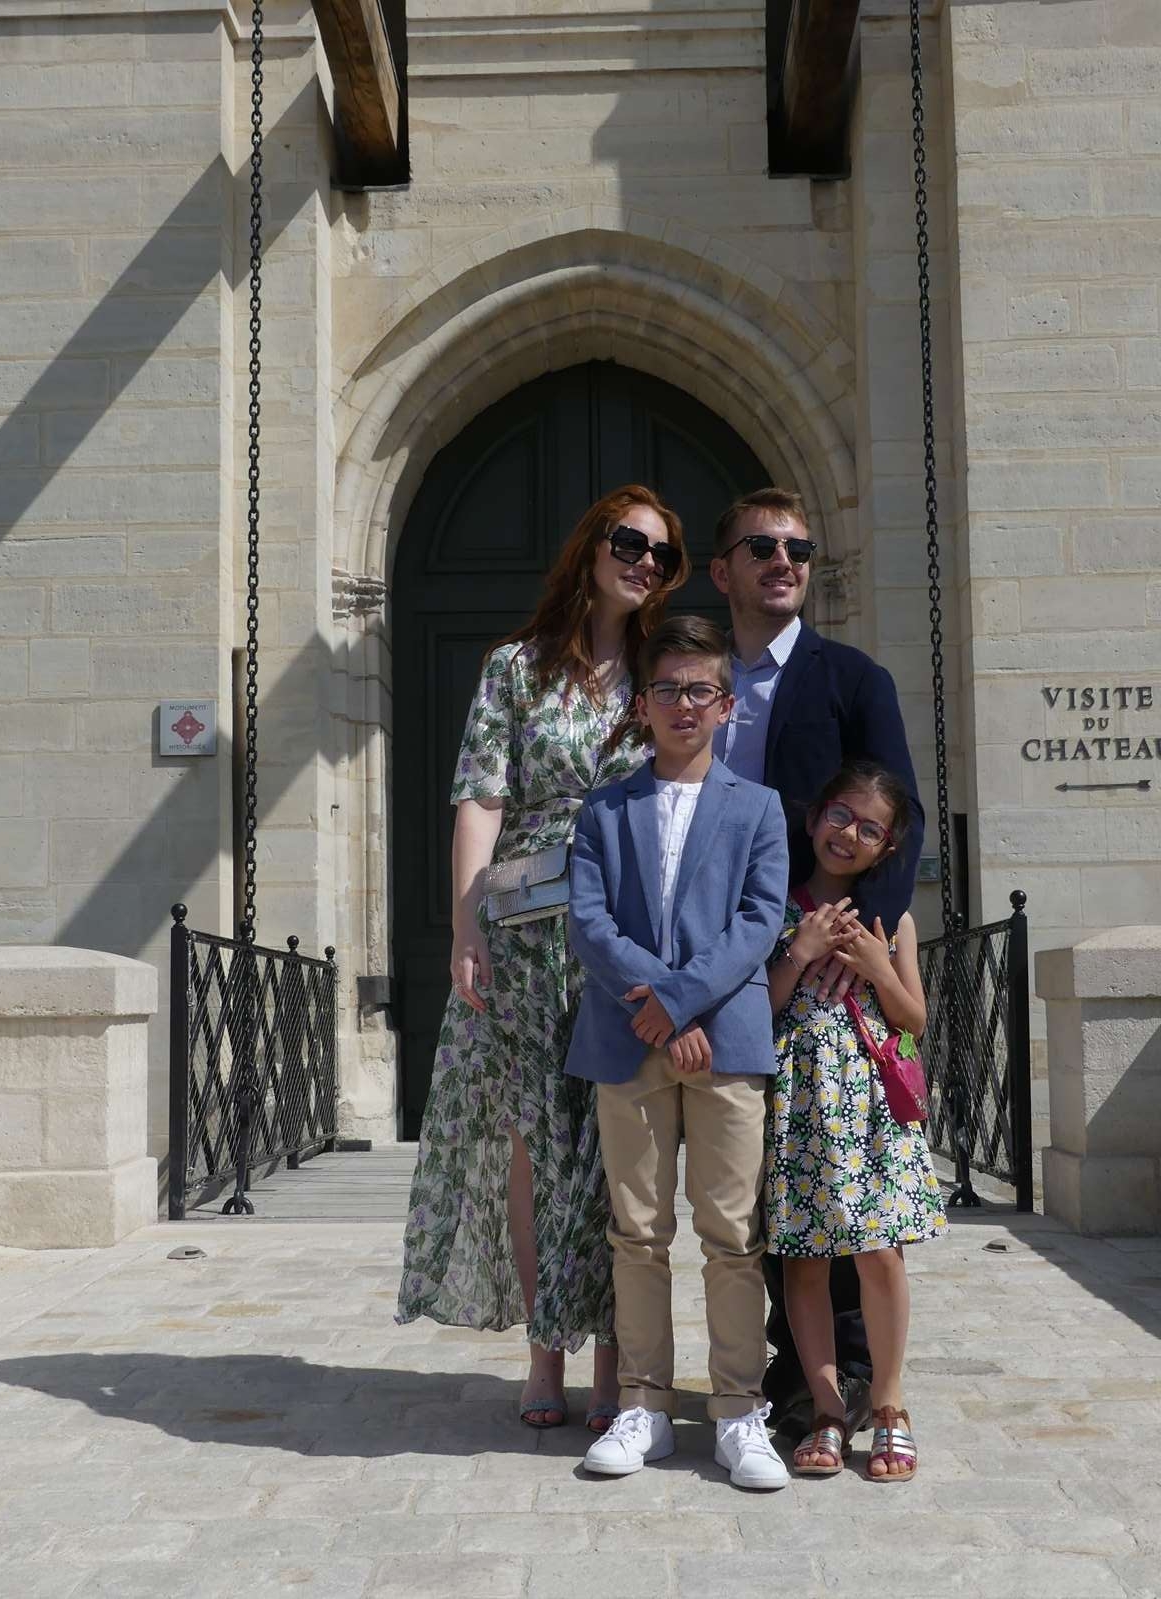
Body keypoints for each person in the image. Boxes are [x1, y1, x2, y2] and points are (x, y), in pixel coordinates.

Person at [397, 486, 690, 1434]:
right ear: (589, 544)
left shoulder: (666, 669)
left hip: (633, 929)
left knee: (617, 1146)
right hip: (529, 937)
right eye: (628, 541)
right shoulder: (516, 669)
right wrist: (466, 922)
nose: (643, 561)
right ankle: (543, 1347)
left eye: (662, 553)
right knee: (536, 1146)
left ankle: (615, 1355)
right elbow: (480, 798)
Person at [708, 485, 926, 1437]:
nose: (783, 562)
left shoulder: (854, 677)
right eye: (761, 548)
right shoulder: (690, 681)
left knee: (834, 1182)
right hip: (715, 959)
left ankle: (835, 1389)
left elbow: (901, 822)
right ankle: (777, 1367)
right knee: (760, 1175)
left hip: (817, 961)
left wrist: (855, 940)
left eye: (797, 548)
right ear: (725, 571)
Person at [565, 616, 791, 1490]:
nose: (684, 704)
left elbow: (758, 921)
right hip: (627, 1040)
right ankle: (645, 1404)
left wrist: (680, 999)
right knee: (638, 1231)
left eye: (701, 689)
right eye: (668, 689)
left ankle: (738, 1409)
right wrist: (656, 1004)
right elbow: (589, 922)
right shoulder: (606, 806)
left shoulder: (759, 807)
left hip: (726, 1039)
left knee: (733, 1234)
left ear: (726, 705)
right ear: (643, 703)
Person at [764, 761, 947, 1481]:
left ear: (886, 847)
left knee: (878, 1254)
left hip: (869, 1104)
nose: (850, 833)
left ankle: (892, 1404)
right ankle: (827, 1408)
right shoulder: (775, 907)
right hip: (802, 1101)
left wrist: (875, 963)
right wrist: (800, 952)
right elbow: (761, 1008)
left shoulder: (890, 917)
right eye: (841, 814)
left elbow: (916, 1019)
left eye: (871, 828)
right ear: (814, 819)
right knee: (804, 1261)